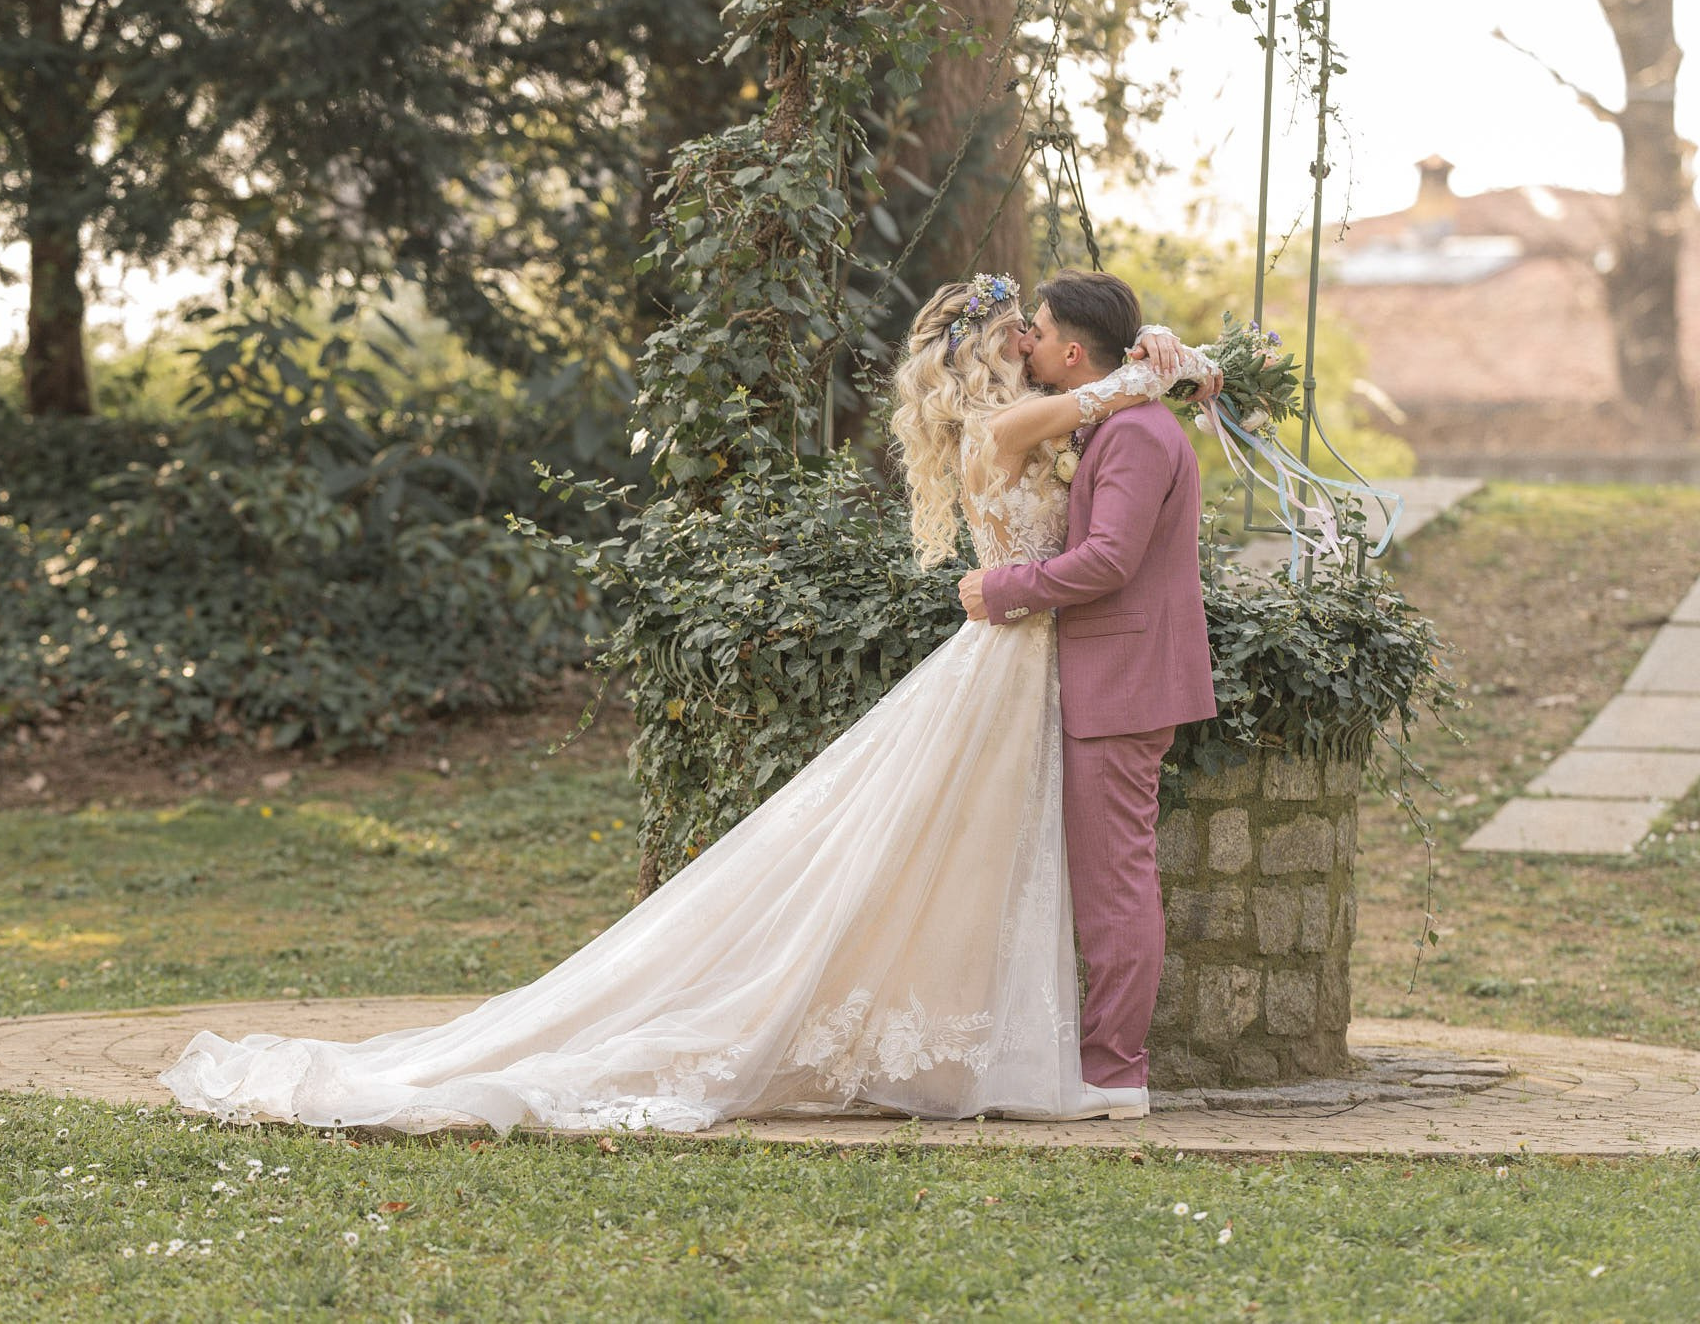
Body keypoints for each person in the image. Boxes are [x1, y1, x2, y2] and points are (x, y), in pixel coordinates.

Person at [159, 272, 1219, 1133]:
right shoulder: (1017, 428)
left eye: (1039, 329)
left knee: (986, 862)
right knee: (951, 855)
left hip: (1039, 664)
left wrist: (1164, 356)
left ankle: (1032, 1050)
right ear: (1000, 352)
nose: (1030, 338)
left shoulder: (1069, 423)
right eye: (1018, 330)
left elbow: (1106, 467)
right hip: (1015, 657)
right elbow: (1095, 416)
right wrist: (1156, 365)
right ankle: (1047, 1058)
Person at [959, 269, 1221, 1119]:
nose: (1027, 340)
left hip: (1123, 683)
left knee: (1115, 882)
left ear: (1075, 353)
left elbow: (1109, 559)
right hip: (1108, 675)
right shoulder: (1118, 419)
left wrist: (1002, 588)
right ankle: (1093, 1060)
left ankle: (1114, 1071)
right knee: (1107, 877)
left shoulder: (1139, 435)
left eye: (1037, 329)